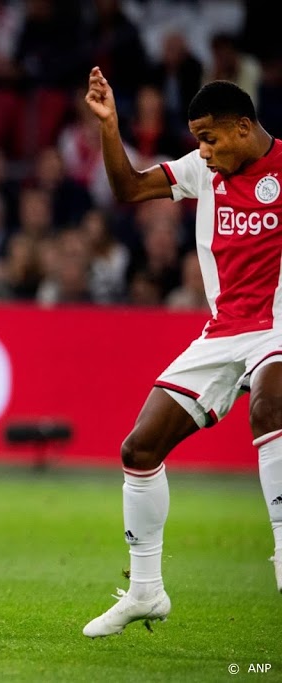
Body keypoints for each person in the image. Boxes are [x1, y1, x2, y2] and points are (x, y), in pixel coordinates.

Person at [81, 67, 282, 637]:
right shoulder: (203, 171)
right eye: (197, 139)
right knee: (139, 448)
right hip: (221, 334)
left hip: (278, 327)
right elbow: (127, 190)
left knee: (267, 407)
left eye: (211, 137)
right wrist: (110, 126)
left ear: (244, 127)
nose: (203, 150)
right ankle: (145, 591)